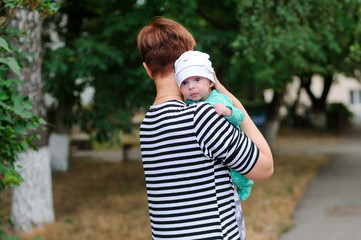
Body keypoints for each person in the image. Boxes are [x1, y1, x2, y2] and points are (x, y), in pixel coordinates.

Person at [137, 17, 273, 240]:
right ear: (188, 59)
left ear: (147, 69)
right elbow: (265, 167)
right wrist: (232, 100)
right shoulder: (201, 118)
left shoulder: (147, 126)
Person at [174, 50, 254, 202]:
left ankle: (246, 184)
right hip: (213, 150)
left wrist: (227, 111)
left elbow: (240, 117)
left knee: (236, 174)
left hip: (232, 145)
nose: (191, 86)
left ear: (211, 81)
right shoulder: (189, 104)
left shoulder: (218, 99)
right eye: (185, 82)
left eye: (197, 79)